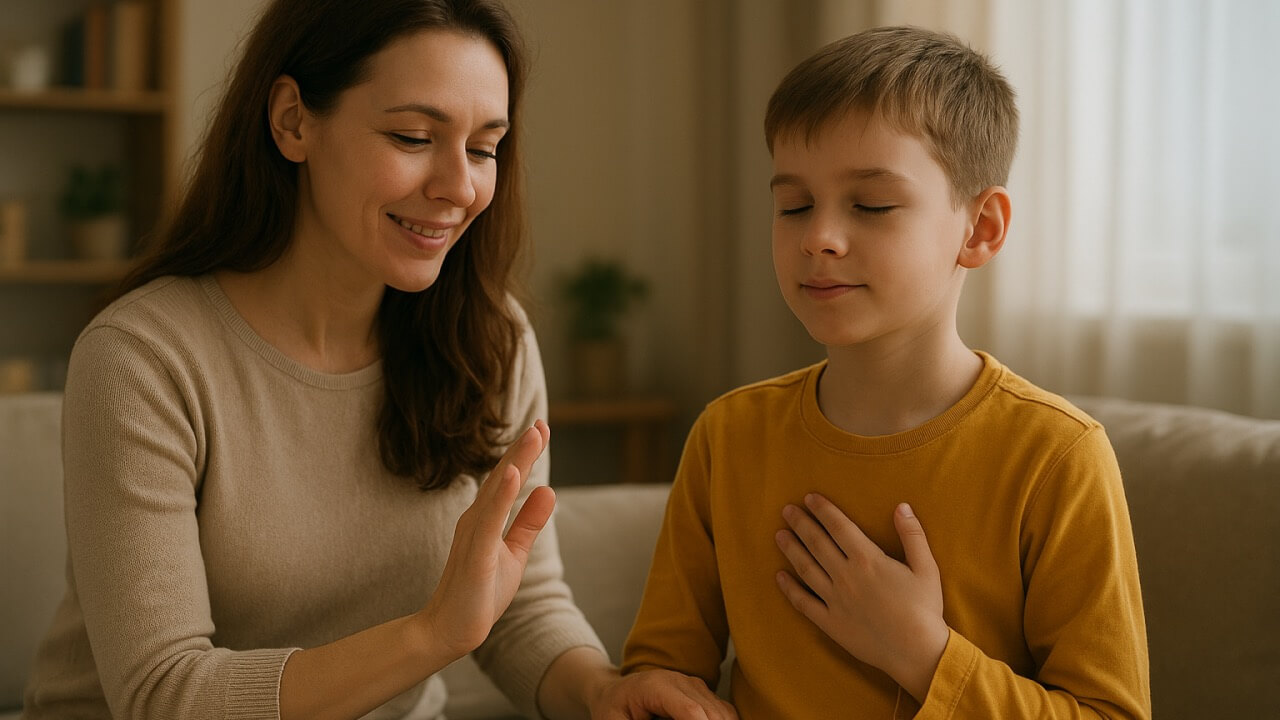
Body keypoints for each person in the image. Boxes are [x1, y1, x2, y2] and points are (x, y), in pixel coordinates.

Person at [20, 1, 736, 719]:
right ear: (293, 121)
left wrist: (604, 692)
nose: (459, 187)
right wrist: (428, 637)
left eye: (485, 147)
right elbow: (165, 694)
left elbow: (517, 609)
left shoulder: (488, 339)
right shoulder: (145, 358)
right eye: (414, 136)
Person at [621, 26, 1151, 718]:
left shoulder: (1057, 457)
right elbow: (660, 673)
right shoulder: (728, 436)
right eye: (794, 205)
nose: (819, 237)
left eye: (870, 205)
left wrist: (922, 655)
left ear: (980, 228)